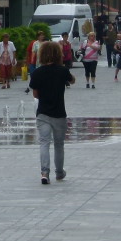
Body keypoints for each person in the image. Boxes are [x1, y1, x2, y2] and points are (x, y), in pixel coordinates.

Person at [29, 40, 75, 184]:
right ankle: (59, 173)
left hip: (43, 113)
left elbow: (35, 94)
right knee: (59, 144)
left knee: (44, 142)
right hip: (59, 113)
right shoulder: (62, 71)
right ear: (58, 55)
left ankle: (44, 173)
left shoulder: (37, 72)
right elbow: (72, 80)